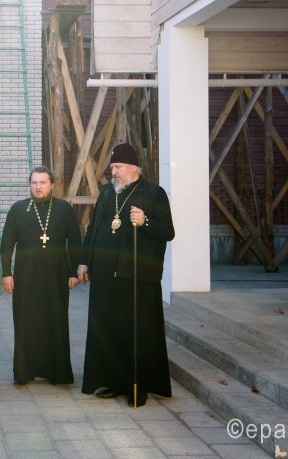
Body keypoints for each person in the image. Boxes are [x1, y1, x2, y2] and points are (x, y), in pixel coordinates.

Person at [77, 143, 175, 407]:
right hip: (105, 276)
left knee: (136, 332)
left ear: (133, 168)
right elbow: (93, 228)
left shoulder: (153, 193)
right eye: (112, 167)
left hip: (136, 277)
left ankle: (138, 386)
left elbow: (168, 232)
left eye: (118, 167)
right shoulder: (107, 193)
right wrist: (84, 261)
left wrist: (145, 222)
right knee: (109, 329)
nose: (114, 172)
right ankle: (114, 381)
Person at [0, 166, 82, 385]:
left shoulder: (63, 209)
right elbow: (6, 243)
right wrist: (6, 273)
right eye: (34, 183)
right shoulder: (18, 209)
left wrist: (74, 271)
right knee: (26, 321)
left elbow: (75, 241)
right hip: (25, 275)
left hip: (57, 274)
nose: (38, 187)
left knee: (55, 320)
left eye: (43, 183)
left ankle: (57, 372)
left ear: (52, 185)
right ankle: (25, 371)